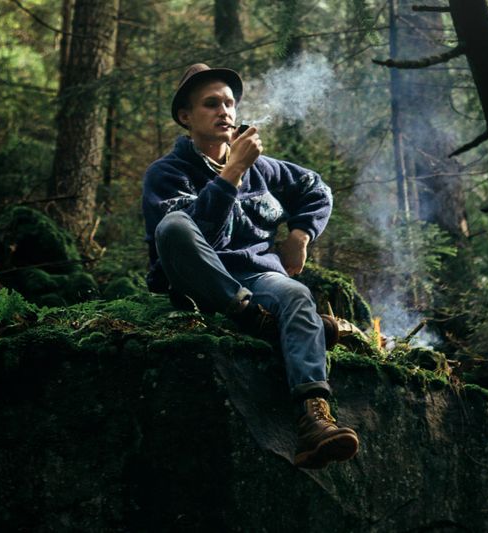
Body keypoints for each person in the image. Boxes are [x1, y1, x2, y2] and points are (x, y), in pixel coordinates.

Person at [141, 63, 359, 469]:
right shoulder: (167, 173)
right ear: (186, 117)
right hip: (201, 282)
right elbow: (193, 239)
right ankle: (256, 319)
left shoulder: (265, 167)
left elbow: (316, 189)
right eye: (211, 104)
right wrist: (232, 172)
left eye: (229, 103)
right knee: (173, 226)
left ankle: (314, 419)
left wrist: (300, 235)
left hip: (258, 278)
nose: (224, 111)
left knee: (295, 293)